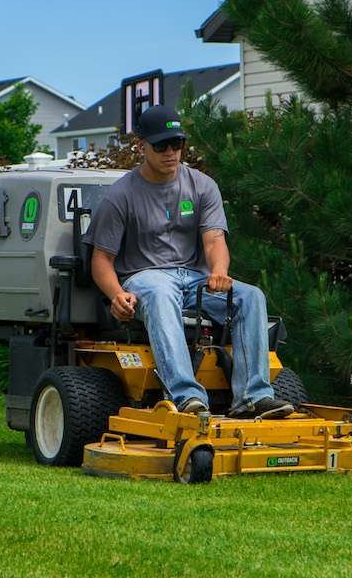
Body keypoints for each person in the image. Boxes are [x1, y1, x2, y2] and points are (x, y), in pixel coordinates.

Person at [84, 104, 294, 419]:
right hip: (144, 278)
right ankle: (186, 397)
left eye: (177, 144)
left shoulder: (202, 186)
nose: (171, 152)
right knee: (159, 290)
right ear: (143, 147)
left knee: (250, 296)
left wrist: (220, 272)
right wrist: (117, 295)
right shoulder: (121, 195)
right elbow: (101, 259)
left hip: (194, 277)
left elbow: (214, 240)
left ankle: (253, 397)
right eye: (161, 146)